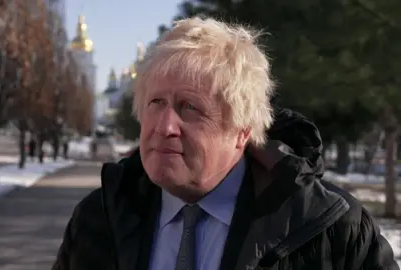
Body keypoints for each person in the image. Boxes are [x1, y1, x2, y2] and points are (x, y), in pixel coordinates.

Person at [52, 17, 398, 270]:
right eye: (156, 103)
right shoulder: (99, 218)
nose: (165, 126)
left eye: (190, 108)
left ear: (243, 131)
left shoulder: (329, 229)